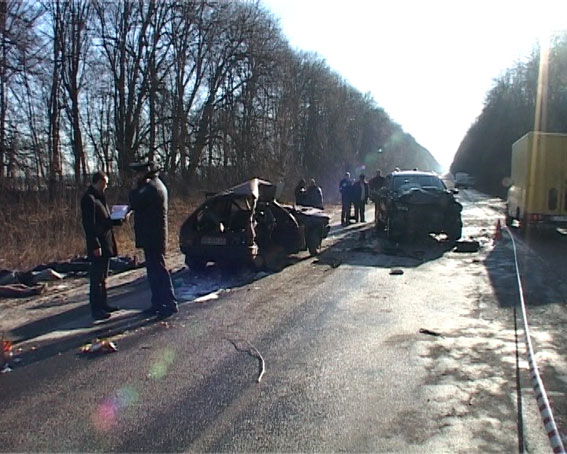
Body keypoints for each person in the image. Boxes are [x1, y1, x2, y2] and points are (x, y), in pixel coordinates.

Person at [129, 160, 178, 318]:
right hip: (152, 235)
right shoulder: (154, 185)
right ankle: (158, 303)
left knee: (159, 271)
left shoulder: (152, 188)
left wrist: (135, 188)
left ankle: (169, 304)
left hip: (154, 236)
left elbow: (134, 201)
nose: (137, 176)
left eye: (139, 173)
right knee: (154, 271)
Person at [80, 170, 121, 320]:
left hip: (106, 242)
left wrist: (118, 219)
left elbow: (105, 220)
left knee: (103, 277)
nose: (106, 186)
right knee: (96, 278)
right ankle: (96, 308)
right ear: (98, 182)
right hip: (98, 244)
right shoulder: (89, 199)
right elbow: (89, 225)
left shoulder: (99, 198)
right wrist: (94, 245)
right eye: (105, 183)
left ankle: (104, 303)